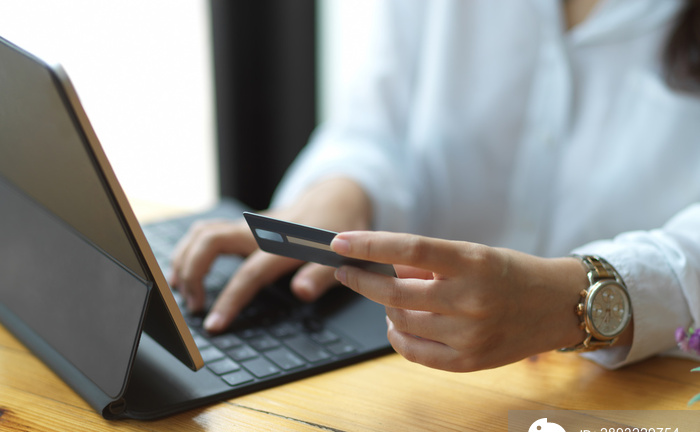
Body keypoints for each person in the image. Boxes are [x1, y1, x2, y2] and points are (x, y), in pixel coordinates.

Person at [171, 0, 700, 373]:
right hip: (422, 388)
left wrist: (576, 299)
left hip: (642, 415)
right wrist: (340, 192)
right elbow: (378, 123)